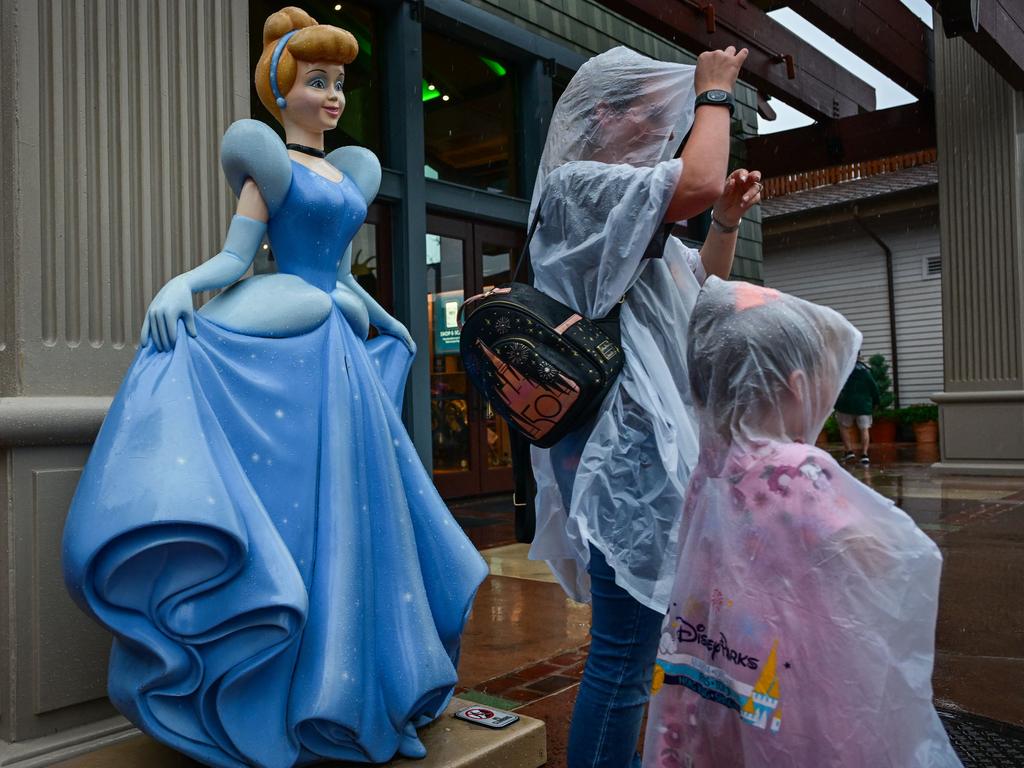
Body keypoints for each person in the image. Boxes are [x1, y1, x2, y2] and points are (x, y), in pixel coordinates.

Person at [61, 7, 487, 766]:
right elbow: (236, 260)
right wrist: (177, 289)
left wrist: (391, 323)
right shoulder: (272, 164)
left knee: (363, 519)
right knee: (300, 511)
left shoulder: (349, 169)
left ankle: (374, 696)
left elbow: (337, 277)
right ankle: (289, 701)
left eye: (339, 83)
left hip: (338, 350)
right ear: (281, 91)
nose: (333, 96)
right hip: (292, 330)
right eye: (317, 81)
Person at [526, 46, 761, 767]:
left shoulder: (629, 213)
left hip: (644, 452)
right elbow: (697, 176)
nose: (668, 124)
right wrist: (715, 90)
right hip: (616, 454)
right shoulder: (576, 188)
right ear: (604, 114)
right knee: (624, 652)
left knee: (638, 647)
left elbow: (703, 289)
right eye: (654, 114)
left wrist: (721, 221)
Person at [643, 278, 961, 767]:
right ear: (796, 386)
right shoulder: (794, 470)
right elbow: (872, 551)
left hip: (719, 650)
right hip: (791, 661)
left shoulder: (711, 467)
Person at [835, 351, 880, 464]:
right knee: (864, 429)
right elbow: (874, 388)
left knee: (843, 427)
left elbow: (836, 386)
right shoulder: (866, 371)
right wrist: (876, 402)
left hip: (845, 404)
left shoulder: (843, 370)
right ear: (859, 356)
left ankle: (849, 452)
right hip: (863, 405)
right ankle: (864, 455)